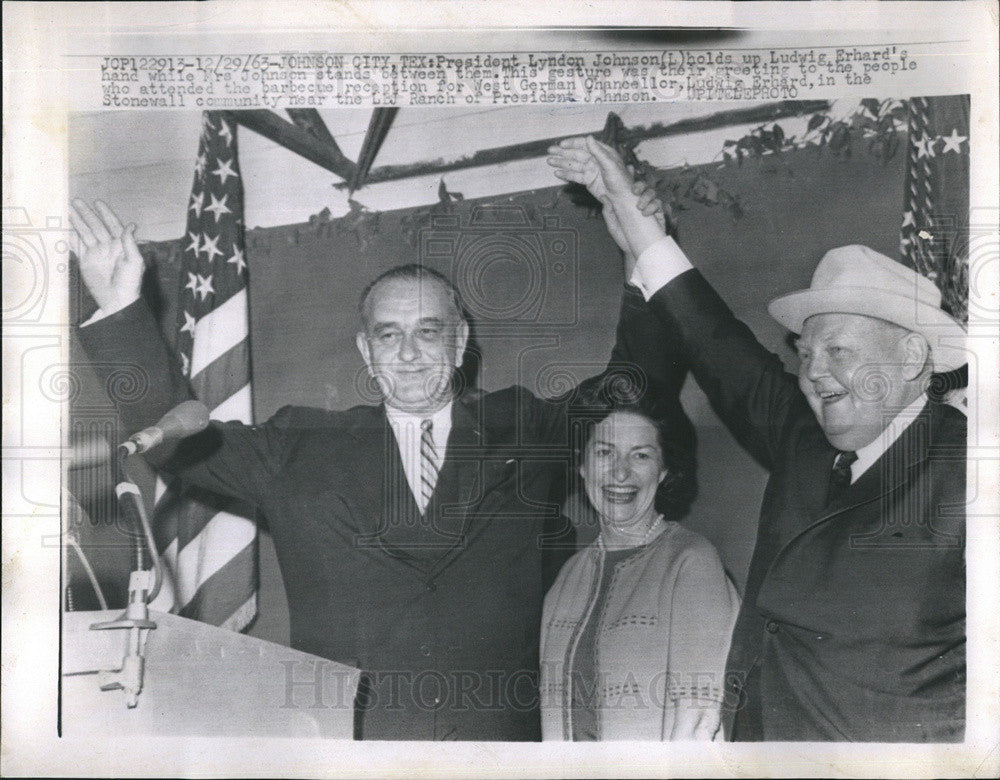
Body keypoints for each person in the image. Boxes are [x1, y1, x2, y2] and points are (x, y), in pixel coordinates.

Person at [68, 190, 687, 741]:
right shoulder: (298, 444)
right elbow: (175, 443)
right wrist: (120, 306)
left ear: (461, 342)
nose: (411, 354)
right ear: (366, 348)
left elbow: (637, 387)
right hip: (354, 745)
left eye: (430, 331)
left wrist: (645, 248)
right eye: (389, 335)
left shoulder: (523, 427)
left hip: (498, 743)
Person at [547, 136, 967, 742]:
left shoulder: (968, 470)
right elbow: (716, 343)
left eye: (839, 350)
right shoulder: (805, 440)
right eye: (806, 350)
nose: (814, 371)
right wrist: (641, 230)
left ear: (909, 357)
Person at [540, 399, 739, 741]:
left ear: (663, 471)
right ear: (582, 466)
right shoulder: (567, 576)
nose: (620, 473)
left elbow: (696, 725)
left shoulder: (692, 562)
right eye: (604, 453)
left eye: (641, 455)